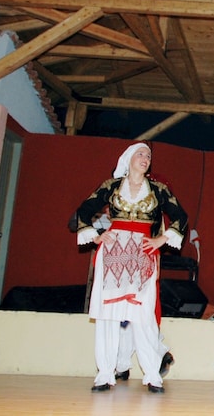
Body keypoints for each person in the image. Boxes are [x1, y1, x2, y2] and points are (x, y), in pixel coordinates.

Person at [71, 142, 187, 394]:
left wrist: (160, 240)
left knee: (143, 316)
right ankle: (104, 374)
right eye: (141, 154)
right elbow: (83, 211)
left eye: (149, 156)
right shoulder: (111, 187)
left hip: (143, 254)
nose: (146, 158)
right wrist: (97, 235)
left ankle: (153, 375)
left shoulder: (158, 189)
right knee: (108, 315)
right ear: (128, 158)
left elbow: (181, 216)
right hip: (113, 252)